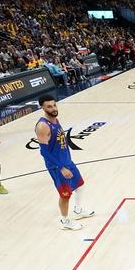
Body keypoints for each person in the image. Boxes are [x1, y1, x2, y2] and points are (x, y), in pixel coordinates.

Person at [35, 94, 94, 230]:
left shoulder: (56, 120)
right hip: (57, 166)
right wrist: (61, 167)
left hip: (67, 161)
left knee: (80, 185)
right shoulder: (43, 126)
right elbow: (44, 152)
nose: (53, 108)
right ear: (42, 108)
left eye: (54, 105)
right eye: (49, 106)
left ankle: (78, 211)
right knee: (65, 195)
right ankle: (64, 221)